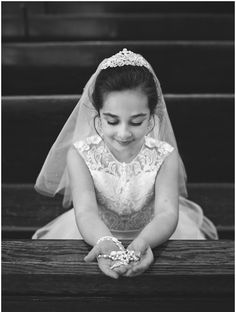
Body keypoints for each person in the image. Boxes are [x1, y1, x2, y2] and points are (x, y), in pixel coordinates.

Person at [32, 48, 218, 278]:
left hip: (154, 233)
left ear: (151, 118)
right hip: (95, 232)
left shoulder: (164, 154)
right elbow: (87, 212)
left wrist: (143, 243)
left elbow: (166, 213)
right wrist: (106, 243)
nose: (123, 133)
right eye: (112, 121)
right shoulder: (80, 154)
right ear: (98, 118)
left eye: (136, 122)